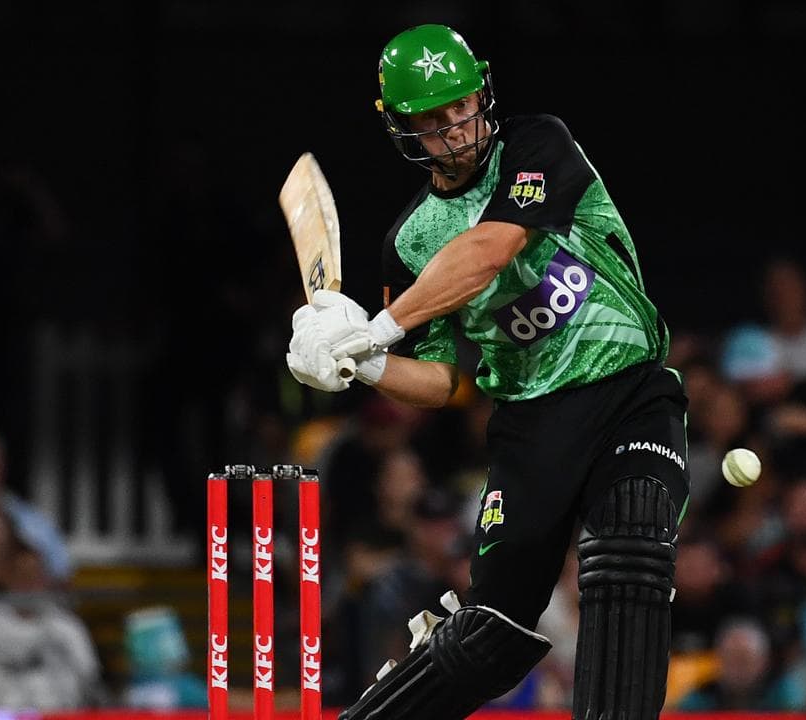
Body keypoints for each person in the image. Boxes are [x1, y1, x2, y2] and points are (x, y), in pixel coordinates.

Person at [283, 24, 689, 720]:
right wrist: (364, 363)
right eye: (432, 118)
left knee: (631, 542)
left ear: (483, 94)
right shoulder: (409, 242)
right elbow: (438, 382)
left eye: (461, 105)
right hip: (531, 427)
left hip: (629, 390)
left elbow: (489, 250)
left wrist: (378, 327)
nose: (455, 127)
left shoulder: (537, 145)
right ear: (402, 127)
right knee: (489, 636)